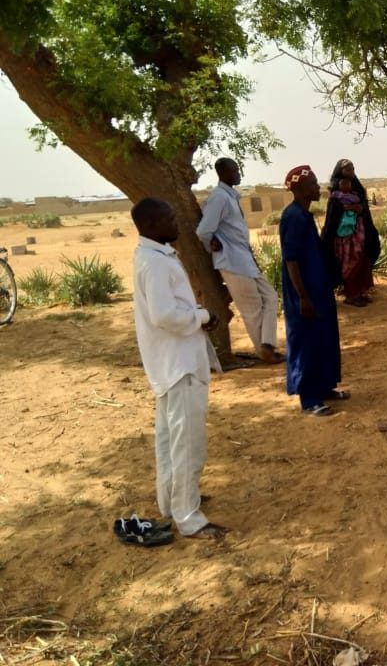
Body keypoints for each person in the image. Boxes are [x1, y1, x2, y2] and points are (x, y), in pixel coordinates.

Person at [131, 197, 227, 540]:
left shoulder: (152, 255)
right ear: (154, 224)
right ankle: (189, 517)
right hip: (179, 364)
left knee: (171, 438)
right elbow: (164, 315)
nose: (177, 222)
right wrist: (200, 316)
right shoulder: (154, 262)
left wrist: (197, 314)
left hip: (170, 363)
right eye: (171, 217)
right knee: (188, 442)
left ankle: (172, 503)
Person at [196, 158, 282, 363]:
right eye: (234, 170)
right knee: (251, 309)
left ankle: (267, 344)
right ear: (222, 173)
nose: (238, 173)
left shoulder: (230, 196)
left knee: (270, 297)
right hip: (232, 260)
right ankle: (265, 351)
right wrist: (212, 244)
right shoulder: (219, 198)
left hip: (245, 259)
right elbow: (203, 230)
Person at [281, 166, 345, 416]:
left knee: (324, 338)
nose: (318, 188)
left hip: (318, 289)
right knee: (306, 342)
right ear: (299, 188)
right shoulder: (293, 217)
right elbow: (291, 260)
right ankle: (309, 399)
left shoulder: (304, 215)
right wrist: (303, 297)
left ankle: (325, 388)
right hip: (305, 293)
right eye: (314, 184)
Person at [322, 158, 380, 301]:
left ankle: (360, 292)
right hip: (344, 236)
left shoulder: (357, 188)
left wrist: (358, 209)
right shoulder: (336, 191)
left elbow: (364, 209)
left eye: (352, 168)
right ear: (340, 171)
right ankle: (351, 295)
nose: (351, 171)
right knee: (349, 263)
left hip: (360, 232)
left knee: (361, 261)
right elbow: (333, 215)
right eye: (347, 169)